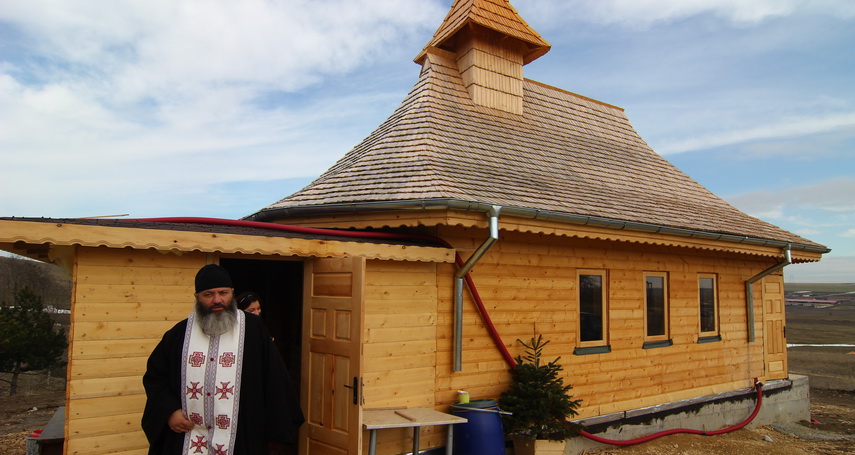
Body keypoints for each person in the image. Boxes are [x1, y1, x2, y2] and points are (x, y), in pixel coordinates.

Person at [142, 264, 304, 455]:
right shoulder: (179, 334)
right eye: (208, 294)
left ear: (232, 294)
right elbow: (156, 377)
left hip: (241, 435)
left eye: (223, 293)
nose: (217, 300)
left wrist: (276, 431)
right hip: (188, 437)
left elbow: (274, 379)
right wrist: (169, 411)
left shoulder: (253, 330)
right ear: (197, 297)